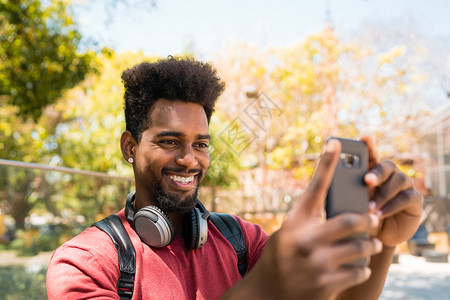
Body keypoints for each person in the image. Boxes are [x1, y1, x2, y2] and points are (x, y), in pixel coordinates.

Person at [46, 57, 422, 300]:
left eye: (201, 143)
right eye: (169, 141)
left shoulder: (243, 241)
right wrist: (262, 290)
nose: (190, 159)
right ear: (130, 147)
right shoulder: (84, 262)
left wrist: (384, 243)